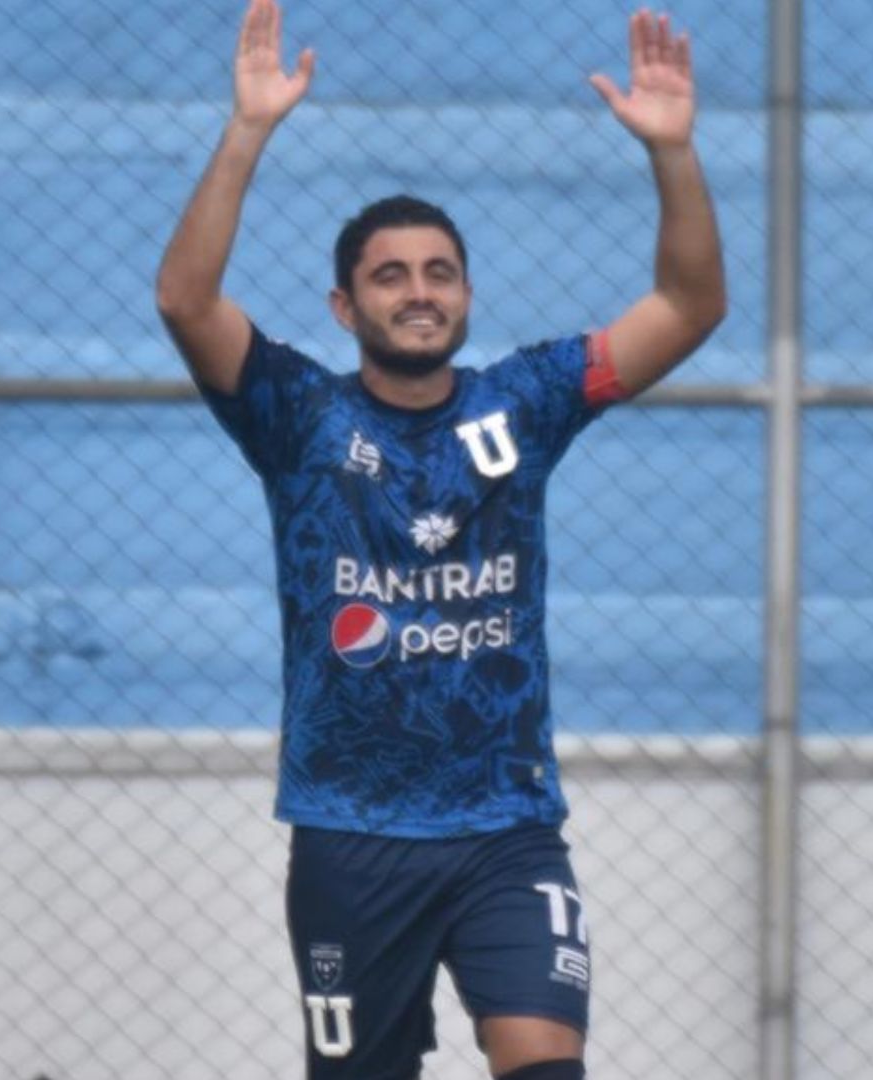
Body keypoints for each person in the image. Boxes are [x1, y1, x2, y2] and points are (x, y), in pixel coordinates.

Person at [152, 2, 725, 1077]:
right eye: (391, 275)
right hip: (350, 834)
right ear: (343, 305)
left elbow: (691, 306)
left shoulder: (530, 401)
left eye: (440, 273)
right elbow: (185, 299)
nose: (420, 292)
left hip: (507, 829)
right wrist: (248, 131)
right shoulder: (300, 418)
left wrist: (674, 154)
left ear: (465, 294)